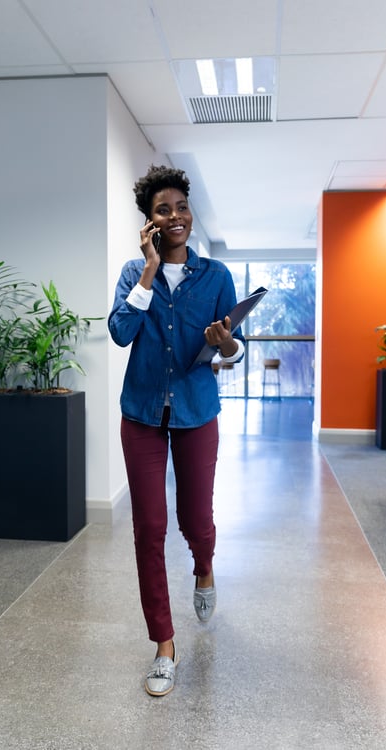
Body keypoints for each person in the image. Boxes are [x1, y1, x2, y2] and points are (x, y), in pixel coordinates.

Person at [108, 164, 245, 697]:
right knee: (149, 528)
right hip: (141, 412)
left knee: (196, 519)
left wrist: (224, 341)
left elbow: (231, 350)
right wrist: (146, 273)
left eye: (182, 207)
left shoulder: (215, 277)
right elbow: (121, 332)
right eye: (163, 210)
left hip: (195, 409)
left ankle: (205, 568)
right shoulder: (131, 274)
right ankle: (164, 644)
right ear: (150, 223)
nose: (176, 216)